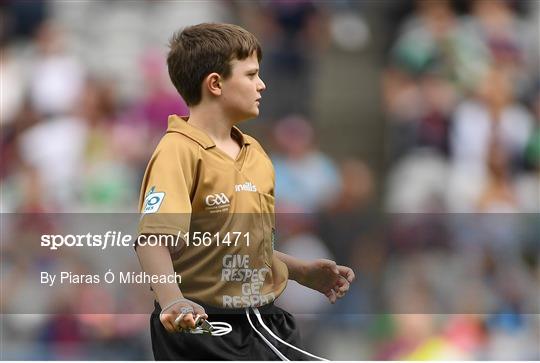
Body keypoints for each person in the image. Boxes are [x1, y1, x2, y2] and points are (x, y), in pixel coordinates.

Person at [135, 23, 354, 360]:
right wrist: (172, 301)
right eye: (251, 75)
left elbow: (245, 248)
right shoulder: (178, 150)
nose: (262, 84)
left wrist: (301, 272)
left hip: (265, 320)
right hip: (205, 326)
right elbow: (152, 239)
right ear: (215, 84)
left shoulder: (257, 155)